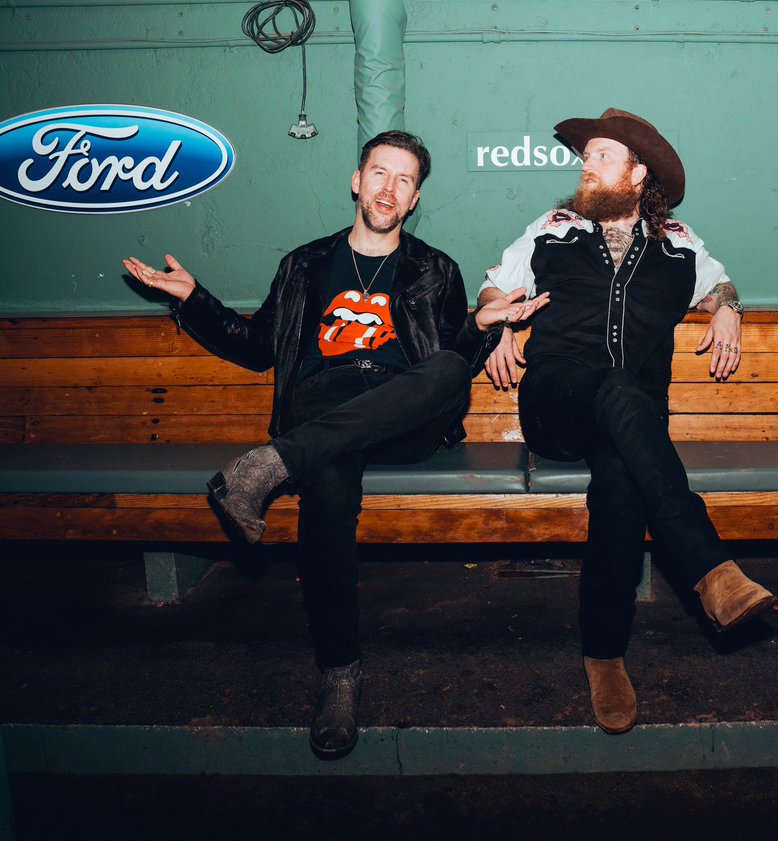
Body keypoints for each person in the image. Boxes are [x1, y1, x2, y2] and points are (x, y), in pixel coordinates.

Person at [124, 130, 546, 760]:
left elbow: (451, 359)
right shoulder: (303, 264)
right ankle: (339, 678)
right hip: (324, 404)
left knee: (449, 369)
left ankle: (269, 466)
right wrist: (194, 300)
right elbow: (259, 343)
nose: (388, 188)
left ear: (414, 198)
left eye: (404, 180)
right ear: (357, 181)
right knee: (326, 479)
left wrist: (482, 328)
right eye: (380, 173)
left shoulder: (436, 270)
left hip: (404, 410)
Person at [478, 108, 777, 735]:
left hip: (629, 425)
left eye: (603, 155)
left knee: (621, 481)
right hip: (557, 401)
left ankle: (605, 656)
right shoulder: (552, 228)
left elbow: (721, 285)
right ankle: (711, 568)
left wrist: (730, 311)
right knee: (618, 388)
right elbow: (494, 286)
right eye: (587, 156)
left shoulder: (679, 242)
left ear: (637, 174)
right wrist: (499, 318)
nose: (587, 164)